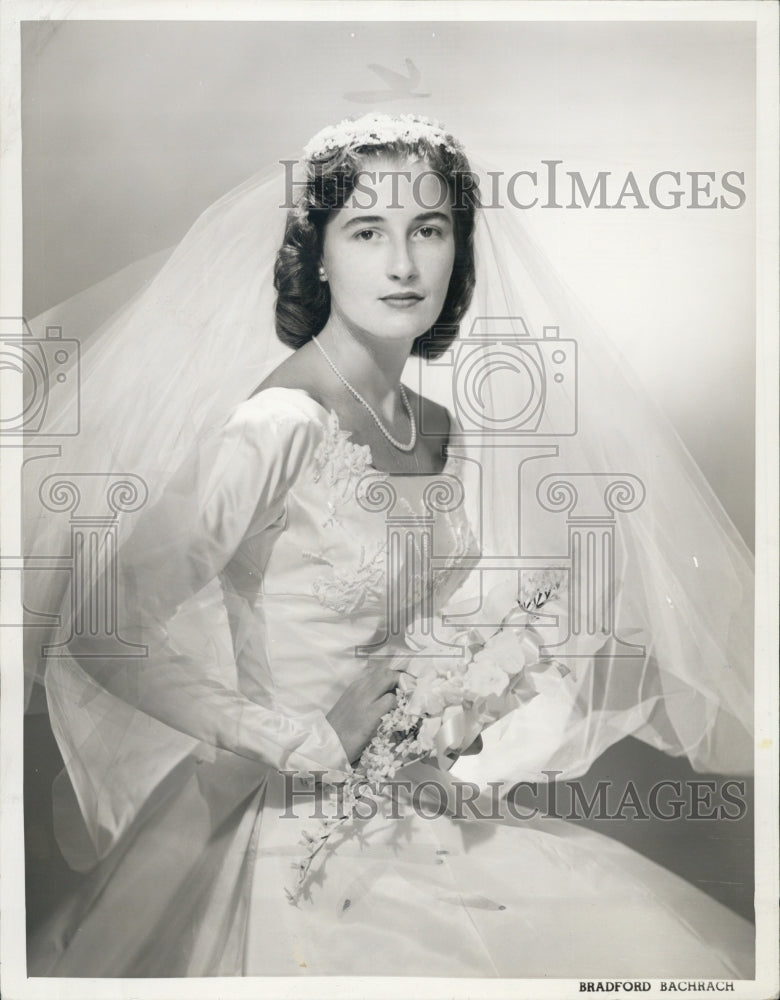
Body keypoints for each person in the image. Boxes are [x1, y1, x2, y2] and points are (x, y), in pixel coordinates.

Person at [24, 113, 754, 978]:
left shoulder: (436, 425)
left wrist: (457, 702)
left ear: (459, 252)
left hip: (423, 799)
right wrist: (298, 738)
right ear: (319, 254)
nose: (403, 264)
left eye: (429, 229)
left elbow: (406, 619)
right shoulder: (277, 425)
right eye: (368, 230)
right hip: (291, 813)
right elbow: (104, 632)